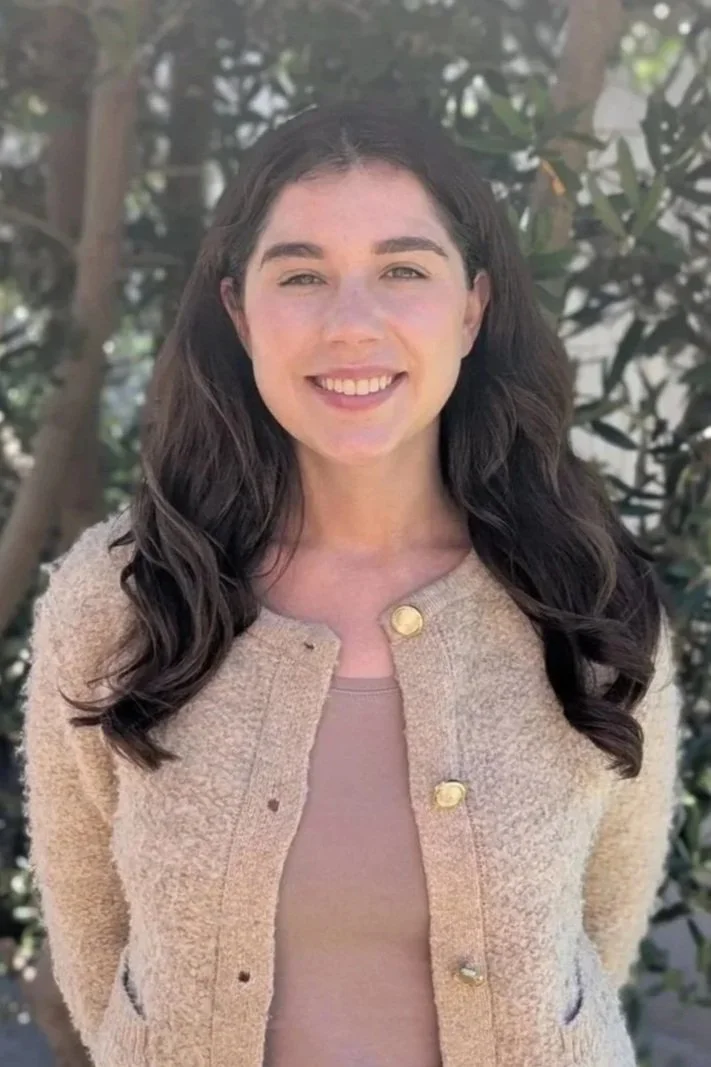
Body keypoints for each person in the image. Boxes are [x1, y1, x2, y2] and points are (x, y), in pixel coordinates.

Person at [20, 96, 683, 1067]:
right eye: (303, 274)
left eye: (402, 269)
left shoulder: (589, 599)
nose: (352, 323)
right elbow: (100, 958)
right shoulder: (122, 599)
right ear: (240, 311)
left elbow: (591, 944)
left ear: (473, 306)